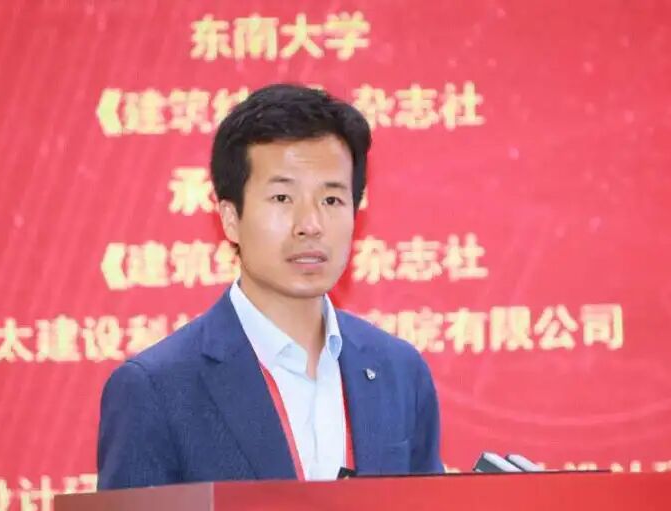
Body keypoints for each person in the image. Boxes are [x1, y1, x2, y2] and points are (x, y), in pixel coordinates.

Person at [97, 83, 443, 489]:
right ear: (231, 219)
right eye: (282, 198)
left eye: (331, 200)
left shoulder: (400, 372)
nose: (310, 225)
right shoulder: (156, 389)